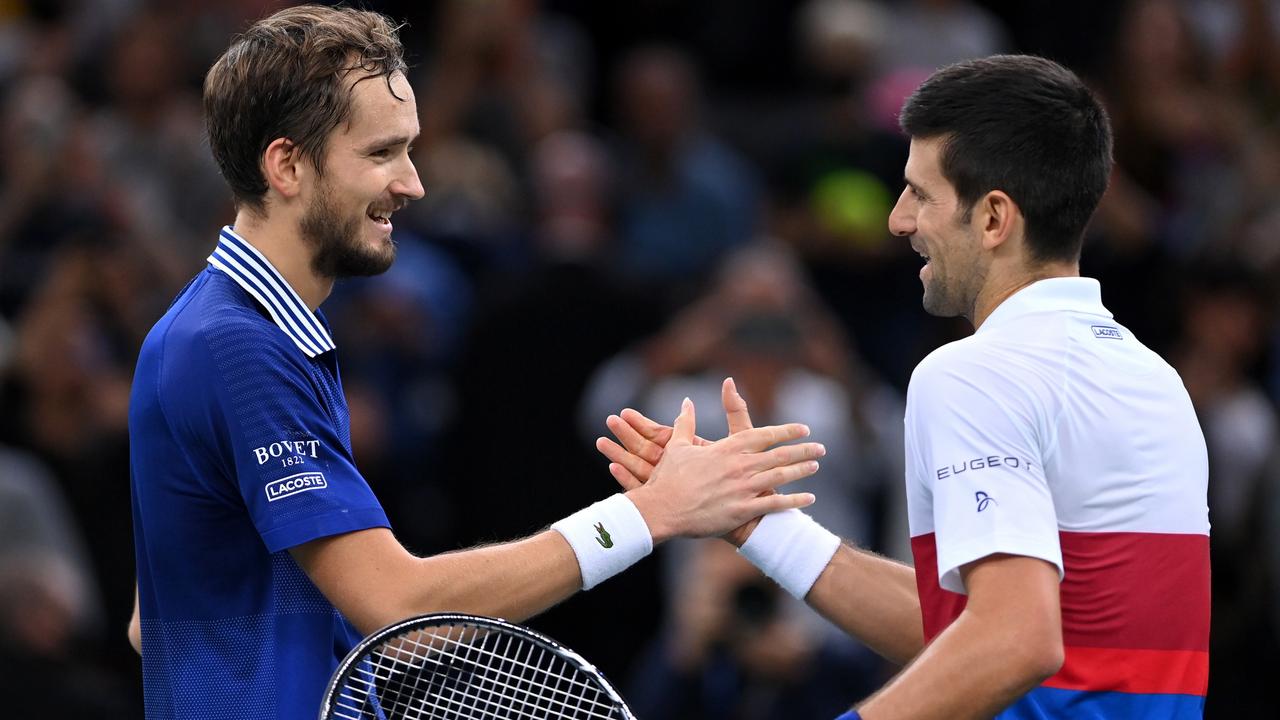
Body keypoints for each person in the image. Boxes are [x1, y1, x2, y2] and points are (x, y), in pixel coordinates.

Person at [126, 7, 826, 720]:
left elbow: (159, 614)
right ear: (286, 165)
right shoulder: (238, 347)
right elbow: (395, 604)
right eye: (381, 154)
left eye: (410, 151)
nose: (413, 183)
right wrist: (649, 514)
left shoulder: (216, 329)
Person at [598, 55, 1211, 719]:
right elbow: (984, 629)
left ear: (994, 218)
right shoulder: (1154, 379)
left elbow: (1016, 643)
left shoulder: (973, 373)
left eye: (920, 193)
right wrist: (759, 526)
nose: (897, 220)